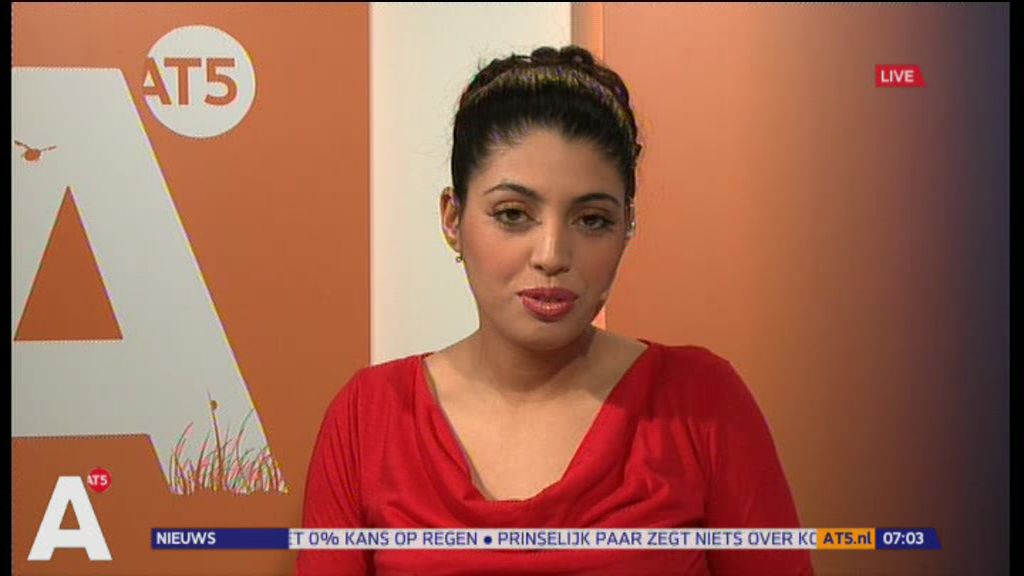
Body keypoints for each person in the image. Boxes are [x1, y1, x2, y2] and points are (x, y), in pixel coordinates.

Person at [298, 45, 813, 575]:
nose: (551, 255)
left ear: (627, 226)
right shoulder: (368, 417)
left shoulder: (701, 402)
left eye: (591, 220)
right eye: (513, 214)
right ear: (453, 218)